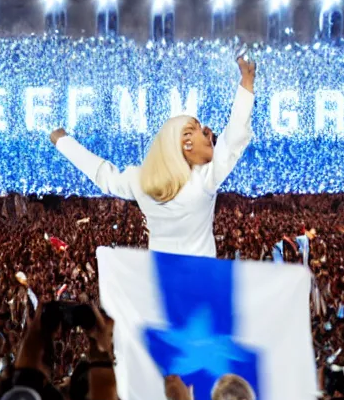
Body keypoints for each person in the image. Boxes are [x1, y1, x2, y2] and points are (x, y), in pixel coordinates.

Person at [50, 57, 256, 258]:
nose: (210, 132)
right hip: (200, 279)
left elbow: (104, 175)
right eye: (201, 130)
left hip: (161, 279)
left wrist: (63, 141)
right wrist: (247, 83)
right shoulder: (204, 179)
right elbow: (233, 140)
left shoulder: (141, 181)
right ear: (186, 144)